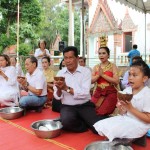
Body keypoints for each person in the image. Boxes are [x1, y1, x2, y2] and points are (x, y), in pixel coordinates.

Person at [93, 60, 150, 145]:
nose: (130, 77)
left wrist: (130, 108)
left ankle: (133, 138)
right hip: (126, 119)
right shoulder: (127, 90)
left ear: (144, 78)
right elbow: (124, 112)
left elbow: (148, 119)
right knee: (101, 125)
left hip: (140, 124)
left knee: (113, 132)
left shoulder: (147, 94)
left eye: (134, 75)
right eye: (130, 74)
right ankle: (128, 138)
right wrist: (121, 108)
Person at [53, 46, 107, 133]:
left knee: (98, 128)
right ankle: (83, 125)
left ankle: (85, 120)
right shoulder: (60, 73)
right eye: (66, 58)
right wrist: (59, 89)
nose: (68, 61)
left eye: (71, 57)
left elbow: (85, 93)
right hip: (68, 106)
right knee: (67, 121)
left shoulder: (85, 72)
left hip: (84, 105)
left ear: (77, 58)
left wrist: (66, 88)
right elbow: (57, 96)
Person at [91, 46, 119, 116]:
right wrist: (98, 75)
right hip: (98, 92)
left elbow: (116, 81)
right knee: (91, 111)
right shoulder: (96, 67)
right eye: (99, 53)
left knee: (102, 112)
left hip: (110, 92)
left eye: (104, 53)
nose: (101, 55)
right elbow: (91, 81)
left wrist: (103, 75)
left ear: (108, 55)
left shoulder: (113, 66)